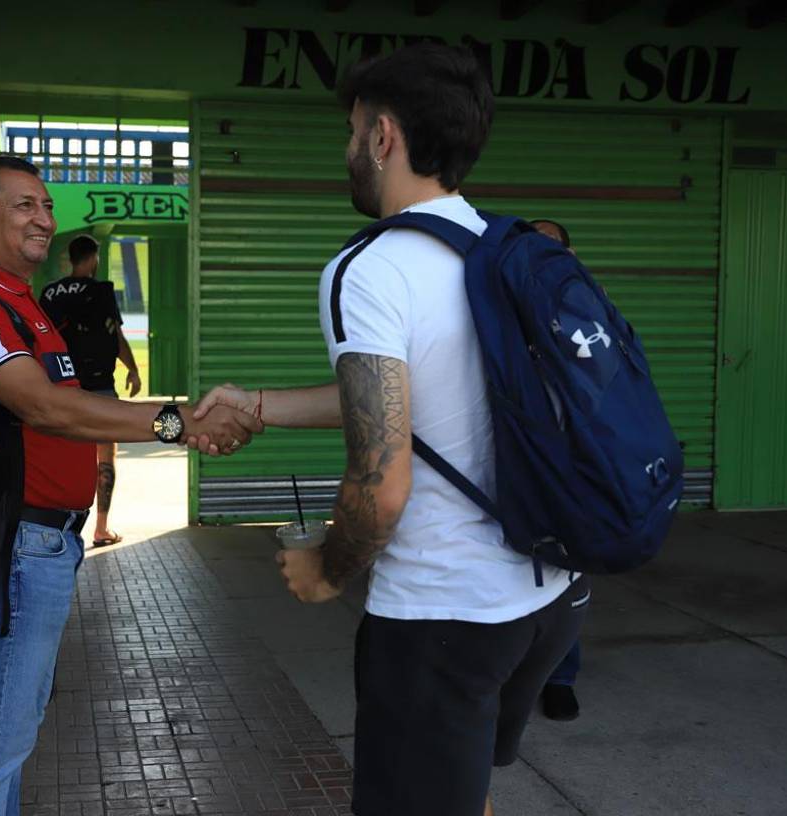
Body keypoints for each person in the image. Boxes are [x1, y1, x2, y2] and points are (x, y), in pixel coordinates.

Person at [192, 44, 588, 816]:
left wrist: (327, 571)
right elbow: (410, 396)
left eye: (350, 132)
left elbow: (381, 481)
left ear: (382, 137)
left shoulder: (372, 267)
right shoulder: (502, 251)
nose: (346, 151)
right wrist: (258, 403)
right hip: (547, 600)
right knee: (461, 789)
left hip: (444, 618)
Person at [0, 155, 262, 815]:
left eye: (47, 206)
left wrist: (177, 423)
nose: (43, 219)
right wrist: (181, 423)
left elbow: (71, 420)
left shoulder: (25, 305)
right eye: (23, 205)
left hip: (45, 544)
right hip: (18, 546)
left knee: (11, 731)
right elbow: (47, 408)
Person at [40, 235, 140, 547]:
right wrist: (133, 370)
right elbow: (116, 335)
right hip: (99, 389)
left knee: (59, 460)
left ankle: (60, 527)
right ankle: (101, 528)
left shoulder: (50, 293)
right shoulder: (101, 291)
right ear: (93, 258)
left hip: (62, 390)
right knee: (105, 458)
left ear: (71, 258)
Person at [528, 217, 584, 722]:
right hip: (521, 457)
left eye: (549, 246)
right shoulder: (505, 298)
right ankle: (520, 673)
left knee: (567, 572)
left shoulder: (585, 304)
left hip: (569, 461)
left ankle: (561, 677)